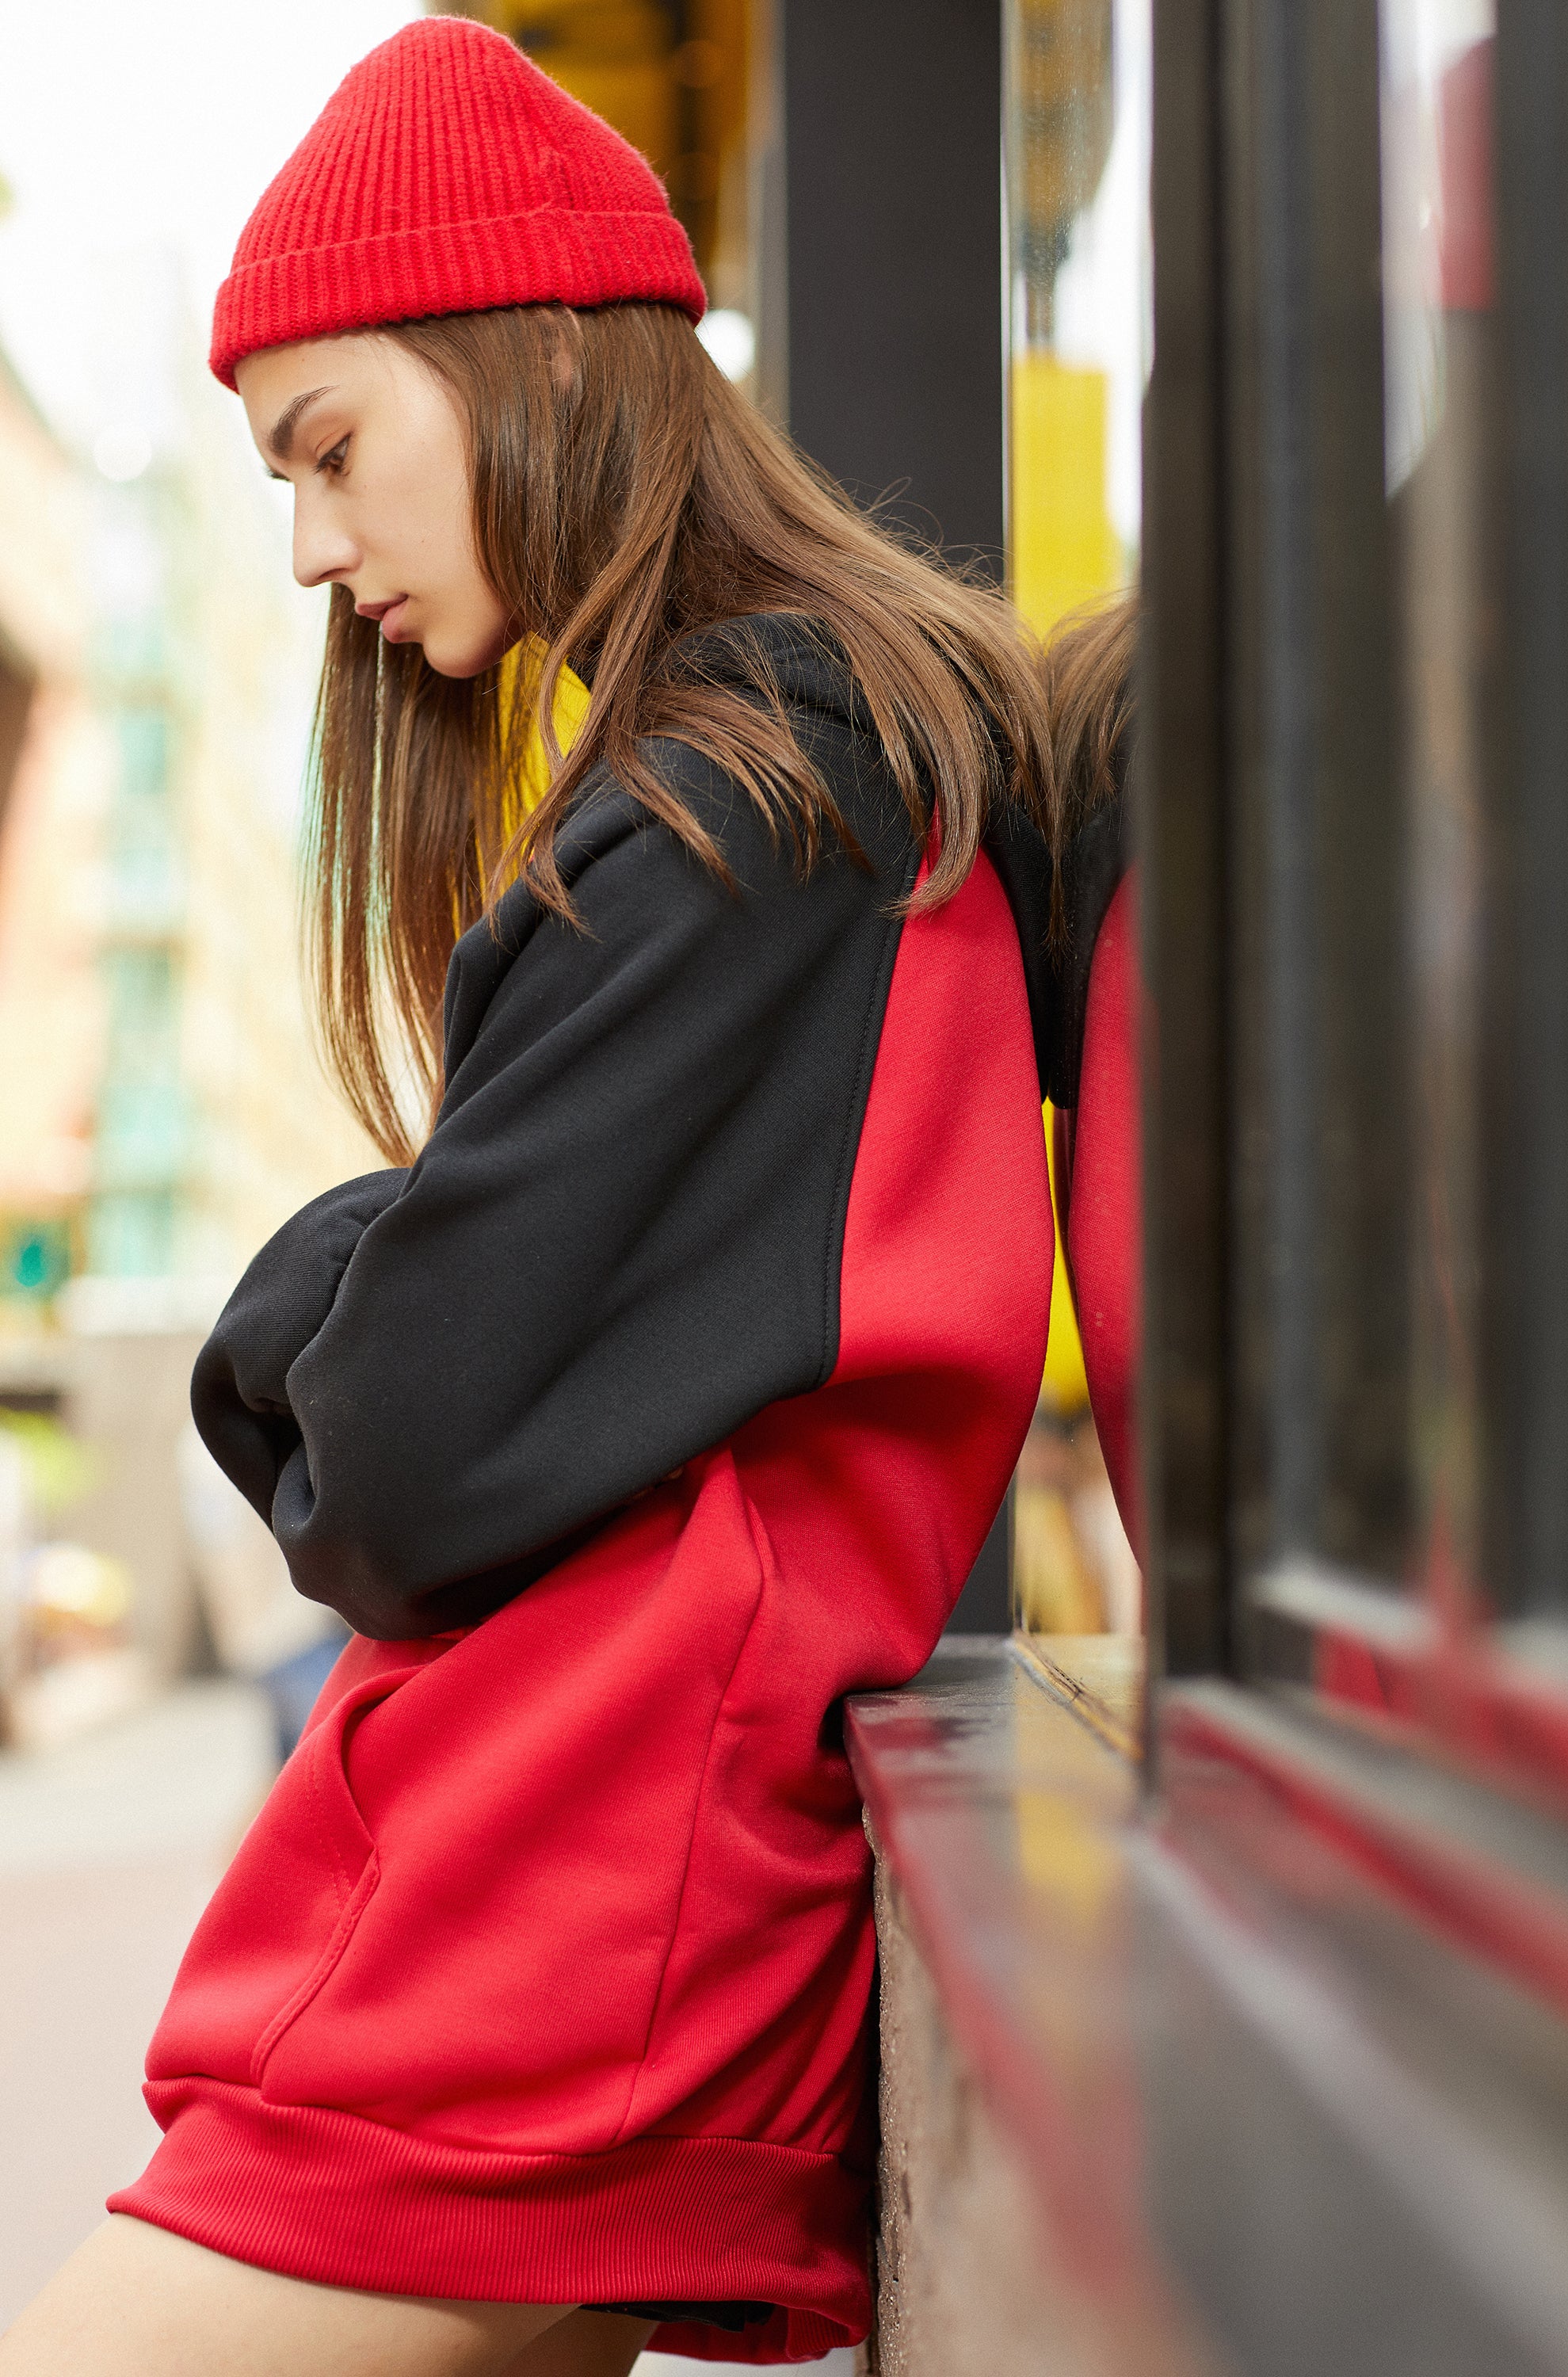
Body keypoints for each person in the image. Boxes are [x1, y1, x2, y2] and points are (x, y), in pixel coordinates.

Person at [0, 19, 1131, 2376]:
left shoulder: (752, 792)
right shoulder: (820, 772)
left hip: (547, 1941)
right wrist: (404, 1247)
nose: (311, 550)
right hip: (603, 1906)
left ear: (522, 355)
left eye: (332, 448)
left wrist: (322, 1273)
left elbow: (398, 1461)